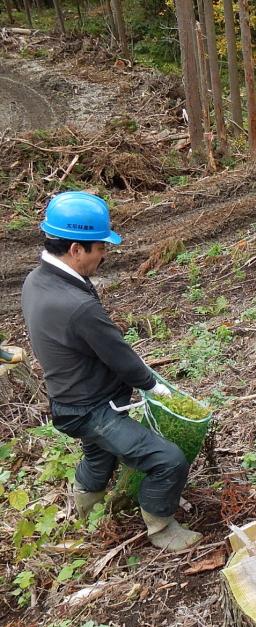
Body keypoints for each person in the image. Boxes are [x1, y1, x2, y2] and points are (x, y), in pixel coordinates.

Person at [21, 191, 201, 551]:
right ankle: (162, 528)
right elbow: (119, 355)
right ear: (75, 249)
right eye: (100, 248)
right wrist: (154, 387)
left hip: (68, 399)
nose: (104, 254)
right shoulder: (77, 306)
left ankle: (87, 512)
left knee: (99, 455)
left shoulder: (36, 282)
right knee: (168, 461)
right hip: (91, 407)